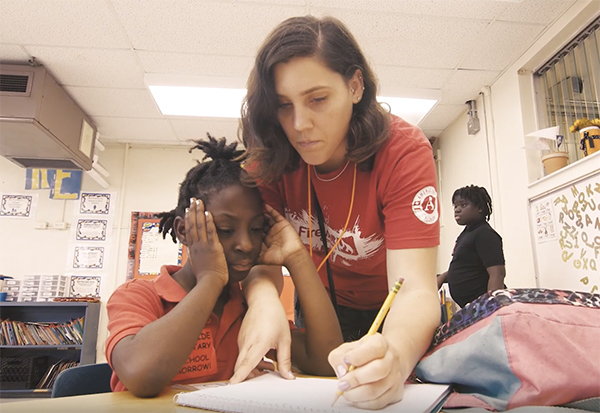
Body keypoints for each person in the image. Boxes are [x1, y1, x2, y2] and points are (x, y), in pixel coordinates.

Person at [231, 15, 441, 410]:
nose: (299, 125)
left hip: (395, 310)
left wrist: (395, 353)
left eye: (318, 99)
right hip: (322, 304)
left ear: (355, 86)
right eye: (282, 105)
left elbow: (415, 288)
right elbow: (264, 261)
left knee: (387, 390)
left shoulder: (403, 151)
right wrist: (262, 300)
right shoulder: (270, 162)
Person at [105, 134, 342, 397]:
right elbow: (141, 376)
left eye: (255, 229)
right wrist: (210, 279)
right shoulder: (139, 296)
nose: (246, 244)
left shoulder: (247, 308)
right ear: (184, 231)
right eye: (226, 230)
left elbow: (326, 362)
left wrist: (297, 259)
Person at [436, 185, 506, 308]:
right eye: (455, 206)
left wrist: (490, 307)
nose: (457, 209)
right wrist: (442, 278)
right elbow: (465, 266)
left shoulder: (485, 234)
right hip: (470, 306)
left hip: (482, 305)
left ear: (479, 208)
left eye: (463, 205)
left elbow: (497, 274)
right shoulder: (467, 234)